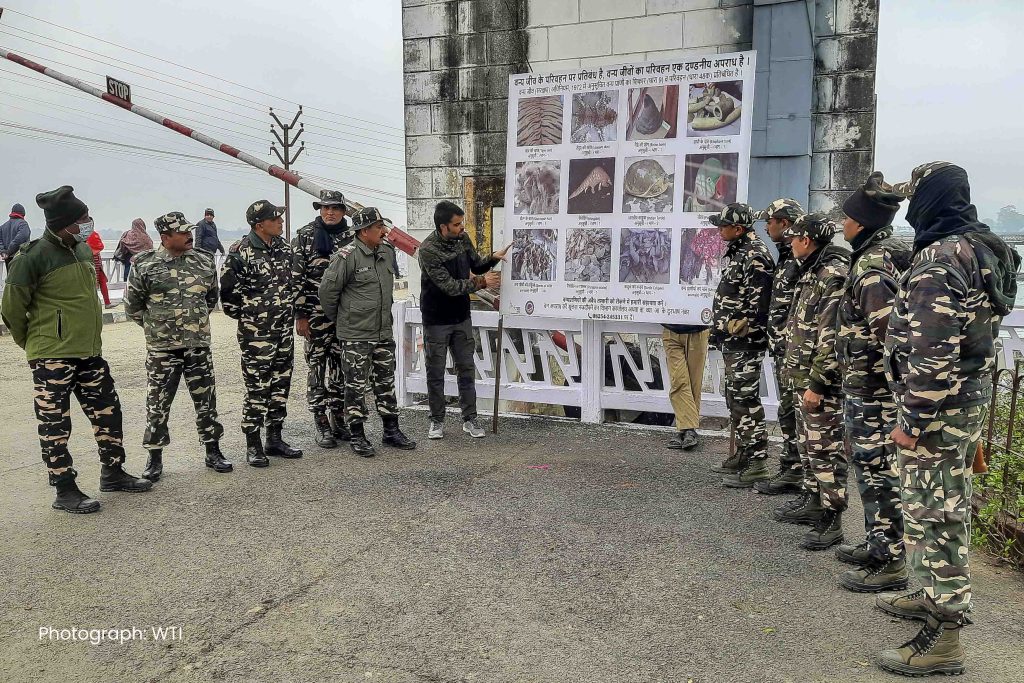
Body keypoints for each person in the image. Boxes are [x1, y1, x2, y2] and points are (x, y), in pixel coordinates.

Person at [875, 163, 1019, 677]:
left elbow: (933, 354)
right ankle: (930, 591)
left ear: (930, 199)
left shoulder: (939, 259)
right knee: (942, 507)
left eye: (915, 197)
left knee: (933, 515)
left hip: (936, 412)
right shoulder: (984, 248)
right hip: (966, 402)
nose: (911, 207)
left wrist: (910, 423)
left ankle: (945, 636)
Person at [1, 186, 152, 514]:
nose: (88, 222)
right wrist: (34, 344)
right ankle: (65, 489)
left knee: (108, 413)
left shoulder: (82, 250)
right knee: (55, 425)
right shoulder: (32, 256)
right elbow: (12, 309)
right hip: (51, 357)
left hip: (89, 352)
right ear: (64, 222)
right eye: (82, 218)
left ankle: (112, 472)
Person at [833, 173, 912, 592]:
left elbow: (891, 337)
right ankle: (877, 541)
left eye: (846, 217)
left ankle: (891, 560)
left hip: (874, 394)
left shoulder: (871, 266)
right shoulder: (879, 254)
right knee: (869, 470)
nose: (842, 224)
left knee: (878, 472)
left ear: (860, 223)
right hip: (867, 389)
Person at [123, 212, 231, 481]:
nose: (188, 235)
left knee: (206, 402)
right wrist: (159, 329)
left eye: (189, 231)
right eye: (182, 232)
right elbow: (133, 307)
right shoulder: (144, 264)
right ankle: (155, 458)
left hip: (197, 346)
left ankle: (213, 451)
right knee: (157, 405)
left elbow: (210, 299)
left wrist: (192, 326)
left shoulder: (204, 262)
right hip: (162, 349)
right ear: (165, 237)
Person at [774, 214, 850, 551]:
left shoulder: (831, 276)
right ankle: (812, 501)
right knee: (808, 446)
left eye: (794, 238)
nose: (789, 243)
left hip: (820, 383)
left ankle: (832, 519)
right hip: (801, 375)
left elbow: (830, 338)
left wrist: (818, 384)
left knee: (825, 451)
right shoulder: (812, 271)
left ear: (806, 240)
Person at [319, 207, 416, 457]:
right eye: (378, 227)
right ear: (364, 232)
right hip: (356, 335)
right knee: (356, 385)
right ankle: (357, 434)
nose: (383, 231)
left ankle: (391, 430)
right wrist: (344, 320)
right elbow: (327, 294)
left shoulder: (385, 251)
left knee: (386, 382)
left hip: (383, 331)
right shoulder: (346, 257)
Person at [220, 199, 303, 467]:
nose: (280, 222)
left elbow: (293, 285)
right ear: (260, 225)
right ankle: (253, 444)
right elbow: (229, 298)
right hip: (257, 336)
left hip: (284, 332)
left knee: (281, 385)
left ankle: (275, 438)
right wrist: (253, 319)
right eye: (275, 219)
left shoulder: (283, 248)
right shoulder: (240, 252)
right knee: (257, 388)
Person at [416, 200, 507, 439]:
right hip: (436, 320)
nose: (462, 227)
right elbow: (450, 286)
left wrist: (493, 258)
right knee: (435, 372)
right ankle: (436, 421)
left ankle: (470, 419)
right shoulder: (428, 250)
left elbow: (476, 266)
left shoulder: (463, 239)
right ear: (443, 227)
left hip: (461, 317)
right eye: (457, 225)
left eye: (462, 223)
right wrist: (482, 283)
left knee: (466, 369)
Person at [707, 203, 775, 487]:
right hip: (733, 342)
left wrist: (739, 327)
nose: (719, 230)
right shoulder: (741, 252)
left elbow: (760, 307)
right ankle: (745, 453)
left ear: (738, 229)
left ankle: (757, 462)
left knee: (745, 399)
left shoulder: (755, 255)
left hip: (745, 343)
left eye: (723, 226)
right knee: (734, 397)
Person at [292, 189, 354, 448]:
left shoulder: (353, 236)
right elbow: (295, 278)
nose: (330, 212)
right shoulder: (305, 236)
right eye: (325, 208)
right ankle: (321, 421)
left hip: (344, 315)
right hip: (315, 315)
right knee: (316, 368)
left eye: (335, 208)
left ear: (343, 211)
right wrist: (300, 315)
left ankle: (338, 417)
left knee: (342, 368)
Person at [753, 198, 806, 496]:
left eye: (769, 221)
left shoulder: (799, 259)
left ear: (784, 223)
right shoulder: (786, 256)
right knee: (787, 413)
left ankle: (797, 473)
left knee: (793, 413)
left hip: (795, 352)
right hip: (783, 350)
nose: (765, 226)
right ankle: (791, 469)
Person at [661, 322, 710, 450]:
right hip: (671, 329)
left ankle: (684, 429)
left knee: (694, 382)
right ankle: (688, 429)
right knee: (678, 380)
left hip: (698, 329)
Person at [86, 229, 112, 307]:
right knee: (99, 282)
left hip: (90, 263)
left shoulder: (84, 237)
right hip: (94, 263)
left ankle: (105, 303)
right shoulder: (93, 234)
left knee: (97, 282)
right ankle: (105, 303)